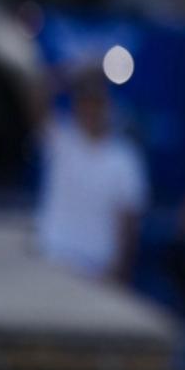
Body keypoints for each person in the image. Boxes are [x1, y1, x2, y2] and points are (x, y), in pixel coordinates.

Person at [34, 70, 148, 282]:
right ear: (77, 107)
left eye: (97, 104)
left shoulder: (124, 158)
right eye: (85, 103)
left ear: (107, 107)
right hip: (54, 260)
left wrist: (120, 270)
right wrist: (65, 75)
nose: (91, 111)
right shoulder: (60, 141)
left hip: (97, 269)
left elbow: (129, 220)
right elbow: (34, 99)